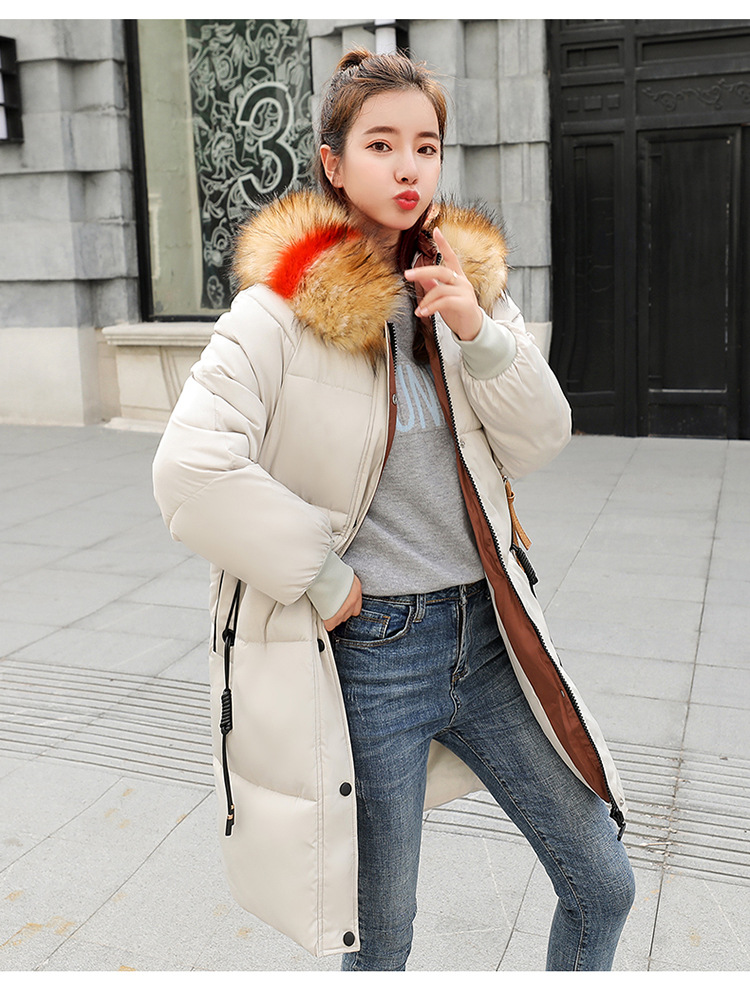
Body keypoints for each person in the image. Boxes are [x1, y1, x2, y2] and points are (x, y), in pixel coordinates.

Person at [152, 47, 635, 972]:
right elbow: (190, 470)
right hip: (375, 654)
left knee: (603, 881)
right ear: (333, 164)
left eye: (426, 145)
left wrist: (477, 333)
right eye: (381, 144)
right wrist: (320, 575)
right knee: (382, 940)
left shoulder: (468, 286)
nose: (409, 166)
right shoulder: (276, 314)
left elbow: (541, 440)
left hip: (489, 636)